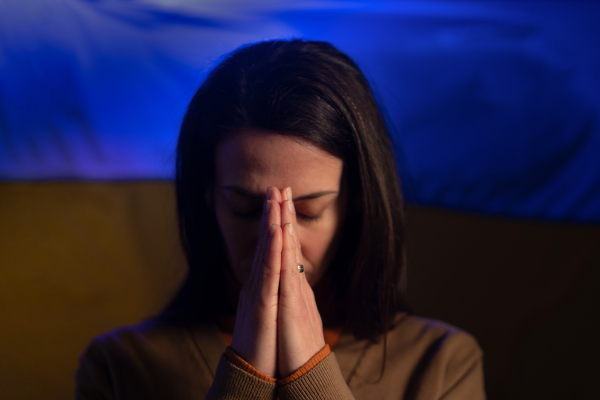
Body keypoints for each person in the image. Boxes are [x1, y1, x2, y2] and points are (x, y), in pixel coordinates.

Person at [76, 39, 486, 400]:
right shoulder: (121, 365)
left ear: (357, 201)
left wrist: (311, 373)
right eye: (245, 208)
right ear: (207, 197)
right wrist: (245, 376)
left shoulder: (441, 363)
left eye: (308, 211)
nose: (275, 241)